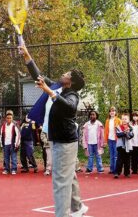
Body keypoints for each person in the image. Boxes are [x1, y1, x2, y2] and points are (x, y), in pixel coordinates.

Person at [20, 45, 88, 217]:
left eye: (66, 74)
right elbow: (38, 76)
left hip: (64, 142)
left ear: (70, 81)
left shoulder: (71, 95)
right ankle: (77, 206)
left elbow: (70, 108)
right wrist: (27, 56)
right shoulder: (59, 87)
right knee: (68, 174)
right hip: (57, 138)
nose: (63, 74)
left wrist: (48, 91)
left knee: (60, 180)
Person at [0, 110, 20, 175]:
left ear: (12, 118)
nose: (9, 119)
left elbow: (18, 135)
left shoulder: (14, 126)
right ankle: (6, 169)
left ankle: (14, 169)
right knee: (6, 158)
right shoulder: (3, 126)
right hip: (5, 145)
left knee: (13, 157)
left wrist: (17, 144)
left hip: (12, 144)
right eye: (7, 118)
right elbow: (1, 135)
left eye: (10, 118)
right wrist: (1, 144)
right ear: (5, 119)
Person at [114, 113, 134, 179]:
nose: (124, 120)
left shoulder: (131, 128)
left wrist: (127, 133)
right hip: (120, 146)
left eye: (125, 119)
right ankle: (117, 172)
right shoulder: (118, 127)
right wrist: (124, 132)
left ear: (128, 120)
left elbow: (131, 136)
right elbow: (118, 135)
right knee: (119, 160)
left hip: (128, 147)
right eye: (123, 119)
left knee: (127, 161)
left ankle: (127, 173)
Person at [104, 106, 122, 174]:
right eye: (111, 111)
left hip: (116, 140)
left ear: (115, 112)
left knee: (115, 156)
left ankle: (115, 169)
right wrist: (105, 141)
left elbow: (120, 130)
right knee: (111, 155)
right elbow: (105, 131)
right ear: (109, 112)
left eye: (113, 111)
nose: (112, 112)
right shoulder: (107, 121)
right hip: (110, 140)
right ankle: (111, 169)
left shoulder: (118, 120)